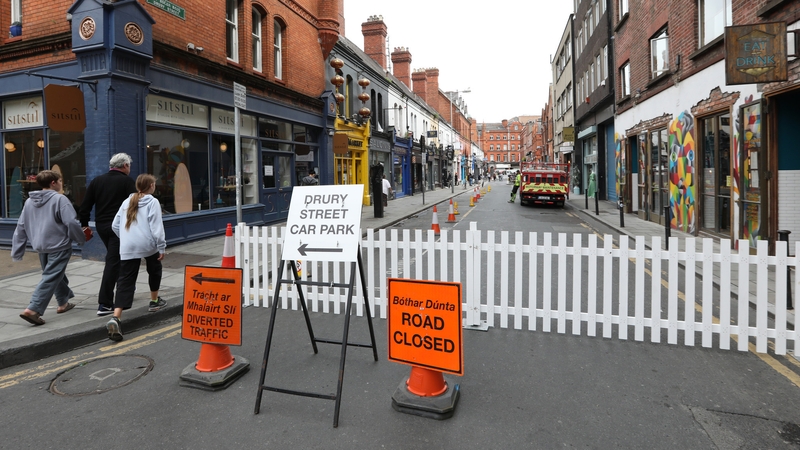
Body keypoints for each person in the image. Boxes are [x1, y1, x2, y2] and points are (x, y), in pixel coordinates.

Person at [13, 170, 87, 325]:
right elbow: (71, 222)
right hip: (59, 245)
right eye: (60, 181)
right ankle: (33, 309)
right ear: (53, 183)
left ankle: (63, 303)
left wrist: (17, 250)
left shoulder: (29, 201)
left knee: (55, 274)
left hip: (40, 246)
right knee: (51, 276)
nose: (61, 183)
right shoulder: (60, 199)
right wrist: (81, 238)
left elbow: (21, 226)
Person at [106, 174, 166, 342]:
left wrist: (126, 238)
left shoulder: (127, 201)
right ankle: (154, 301)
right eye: (154, 184)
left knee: (125, 280)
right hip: (147, 245)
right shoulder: (153, 202)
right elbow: (156, 228)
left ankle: (116, 317)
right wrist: (161, 247)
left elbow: (115, 225)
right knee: (154, 269)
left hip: (127, 246)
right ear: (151, 186)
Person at [79, 153, 136, 316]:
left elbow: (85, 205)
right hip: (119, 228)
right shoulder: (127, 182)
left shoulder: (97, 181)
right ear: (125, 165)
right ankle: (104, 303)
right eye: (129, 166)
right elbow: (135, 206)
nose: (129, 169)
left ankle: (124, 291)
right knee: (113, 262)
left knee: (117, 258)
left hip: (102, 227)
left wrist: (84, 225)